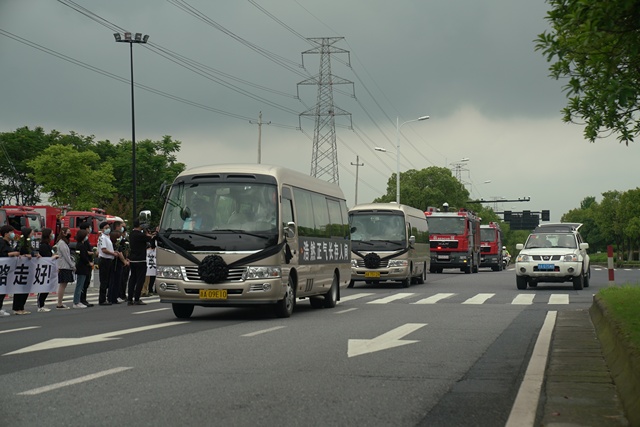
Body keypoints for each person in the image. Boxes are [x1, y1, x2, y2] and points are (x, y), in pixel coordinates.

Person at [13, 227, 39, 315]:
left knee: (26, 289)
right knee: (20, 289)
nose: (33, 235)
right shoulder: (21, 242)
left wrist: (34, 254)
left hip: (28, 268)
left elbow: (30, 251)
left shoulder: (28, 242)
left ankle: (22, 307)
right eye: (31, 233)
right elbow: (18, 252)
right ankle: (17, 308)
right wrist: (24, 255)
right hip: (21, 269)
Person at [126, 219, 153, 306]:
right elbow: (150, 238)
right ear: (139, 225)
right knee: (140, 280)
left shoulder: (132, 234)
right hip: (141, 259)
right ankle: (137, 298)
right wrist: (147, 233)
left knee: (132, 279)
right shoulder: (140, 235)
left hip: (133, 259)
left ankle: (130, 298)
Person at [0, 225, 20, 316]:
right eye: (11, 232)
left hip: (7, 270)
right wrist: (12, 254)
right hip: (2, 270)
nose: (13, 234)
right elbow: (2, 254)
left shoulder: (10, 243)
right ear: (6, 234)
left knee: (4, 290)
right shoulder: (1, 242)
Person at [36, 228, 58, 312]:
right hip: (44, 269)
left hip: (49, 268)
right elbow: (47, 258)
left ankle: (42, 304)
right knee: (44, 287)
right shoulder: (43, 246)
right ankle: (40, 305)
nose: (53, 235)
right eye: (51, 233)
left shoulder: (48, 245)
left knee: (47, 287)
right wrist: (54, 257)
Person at [97, 221, 119, 306]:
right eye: (106, 228)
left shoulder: (107, 237)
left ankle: (105, 297)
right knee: (104, 280)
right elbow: (104, 250)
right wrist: (113, 253)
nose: (108, 229)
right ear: (102, 229)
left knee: (107, 280)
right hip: (104, 260)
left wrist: (114, 252)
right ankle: (102, 299)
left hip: (109, 260)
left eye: (108, 227)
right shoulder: (102, 237)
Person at [55, 227, 75, 310]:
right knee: (62, 285)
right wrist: (72, 265)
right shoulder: (62, 243)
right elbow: (66, 256)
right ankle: (59, 303)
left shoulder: (63, 243)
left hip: (65, 265)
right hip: (64, 266)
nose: (70, 233)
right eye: (68, 231)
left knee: (63, 284)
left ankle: (60, 302)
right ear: (63, 232)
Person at [72, 229, 93, 309]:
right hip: (82, 267)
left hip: (82, 267)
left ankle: (78, 301)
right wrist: (89, 262)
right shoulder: (81, 245)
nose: (87, 237)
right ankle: (76, 302)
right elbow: (83, 257)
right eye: (86, 235)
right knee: (80, 285)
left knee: (81, 285)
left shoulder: (80, 245)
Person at [108, 230, 129, 304]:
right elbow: (120, 254)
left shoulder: (110, 244)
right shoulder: (117, 245)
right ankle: (114, 298)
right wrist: (125, 262)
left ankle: (110, 297)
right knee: (116, 282)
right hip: (117, 265)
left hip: (111, 264)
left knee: (112, 281)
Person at [78, 222, 95, 307]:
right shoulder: (82, 241)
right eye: (89, 227)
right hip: (85, 264)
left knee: (86, 282)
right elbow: (83, 253)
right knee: (83, 283)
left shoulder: (86, 239)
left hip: (88, 263)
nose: (90, 229)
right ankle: (81, 299)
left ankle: (83, 299)